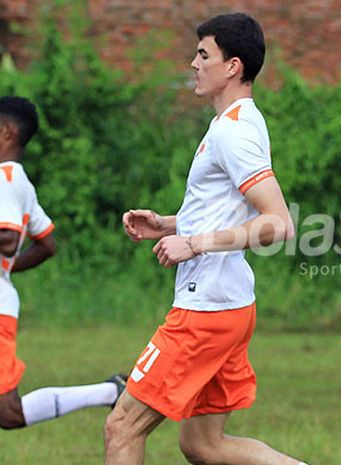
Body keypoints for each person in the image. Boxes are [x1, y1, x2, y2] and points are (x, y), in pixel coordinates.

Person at [103, 13, 307, 465]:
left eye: (203, 55)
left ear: (232, 66)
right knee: (203, 445)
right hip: (228, 305)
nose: (193, 64)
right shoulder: (239, 122)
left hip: (206, 310)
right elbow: (229, 209)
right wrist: (170, 224)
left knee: (121, 428)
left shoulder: (233, 131)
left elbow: (278, 223)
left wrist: (194, 245)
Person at [0, 96, 125, 431]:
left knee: (7, 413)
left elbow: (9, 239)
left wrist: (6, 268)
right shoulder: (19, 183)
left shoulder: (6, 177)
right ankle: (110, 390)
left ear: (7, 132)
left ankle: (110, 391)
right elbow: (47, 244)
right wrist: (7, 270)